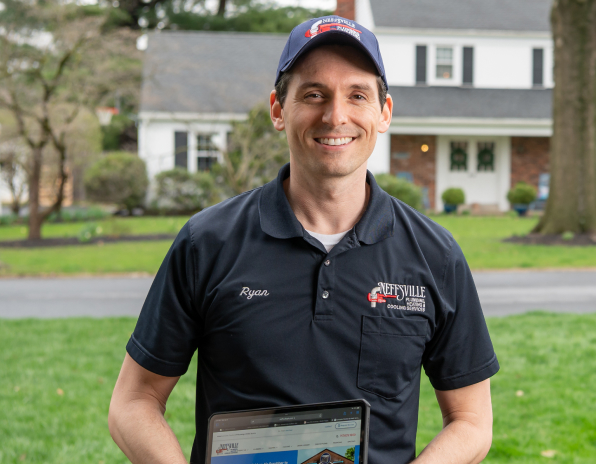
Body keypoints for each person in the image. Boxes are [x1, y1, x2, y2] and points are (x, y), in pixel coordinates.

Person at [108, 15, 499, 464]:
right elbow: (134, 401)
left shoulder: (435, 255)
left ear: (384, 113)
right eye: (314, 94)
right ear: (278, 109)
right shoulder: (208, 243)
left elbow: (471, 420)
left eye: (358, 95)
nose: (336, 116)